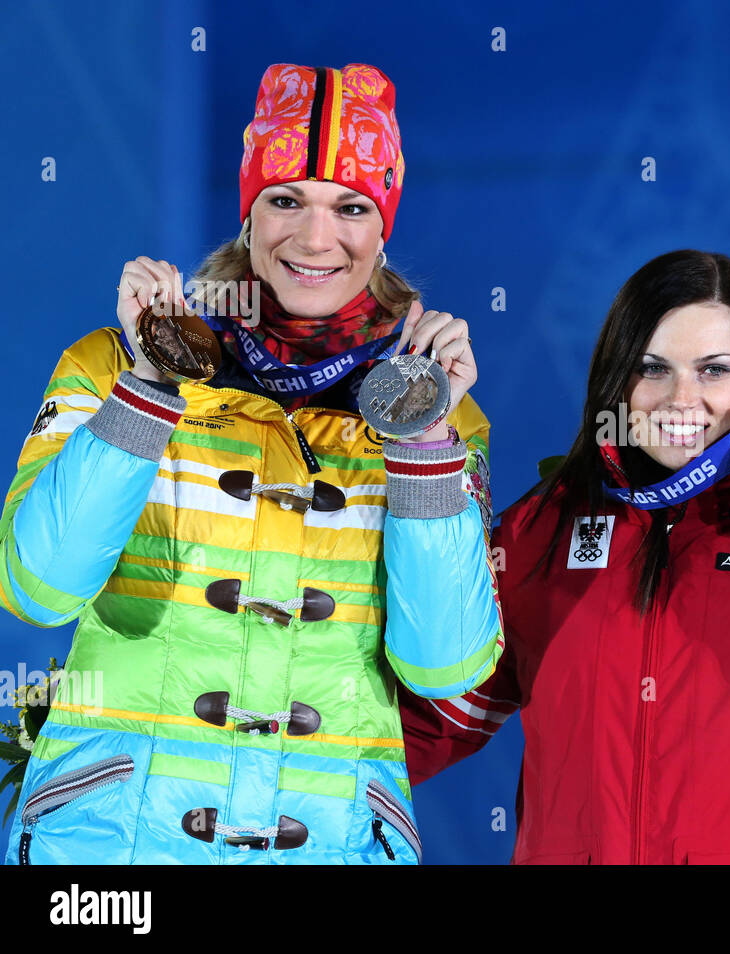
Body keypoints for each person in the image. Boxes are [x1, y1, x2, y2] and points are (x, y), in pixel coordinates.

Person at [0, 63, 502, 864]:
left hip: (329, 847)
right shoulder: (111, 366)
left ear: (383, 228)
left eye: (351, 207)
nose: (314, 238)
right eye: (285, 199)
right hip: (112, 854)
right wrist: (149, 386)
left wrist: (420, 441)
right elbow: (38, 585)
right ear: (247, 212)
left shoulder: (436, 415)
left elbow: (445, 663)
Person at [399, 249, 730, 864]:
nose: (682, 400)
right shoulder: (542, 529)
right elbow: (436, 724)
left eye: (714, 370)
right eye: (653, 368)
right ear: (617, 375)